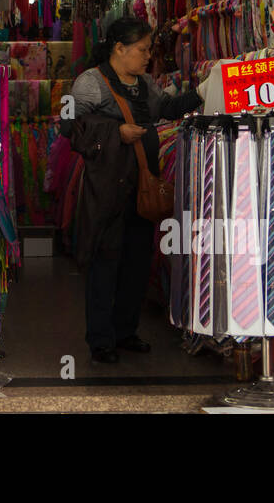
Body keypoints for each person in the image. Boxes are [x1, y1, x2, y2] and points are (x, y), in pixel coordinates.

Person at [64, 18, 202, 363]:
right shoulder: (90, 83)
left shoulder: (144, 84)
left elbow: (167, 109)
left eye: (148, 49)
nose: (147, 56)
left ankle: (125, 330)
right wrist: (115, 132)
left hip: (141, 185)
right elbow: (69, 126)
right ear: (119, 49)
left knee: (137, 261)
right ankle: (101, 339)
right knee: (105, 262)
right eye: (142, 49)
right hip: (106, 188)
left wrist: (203, 92)